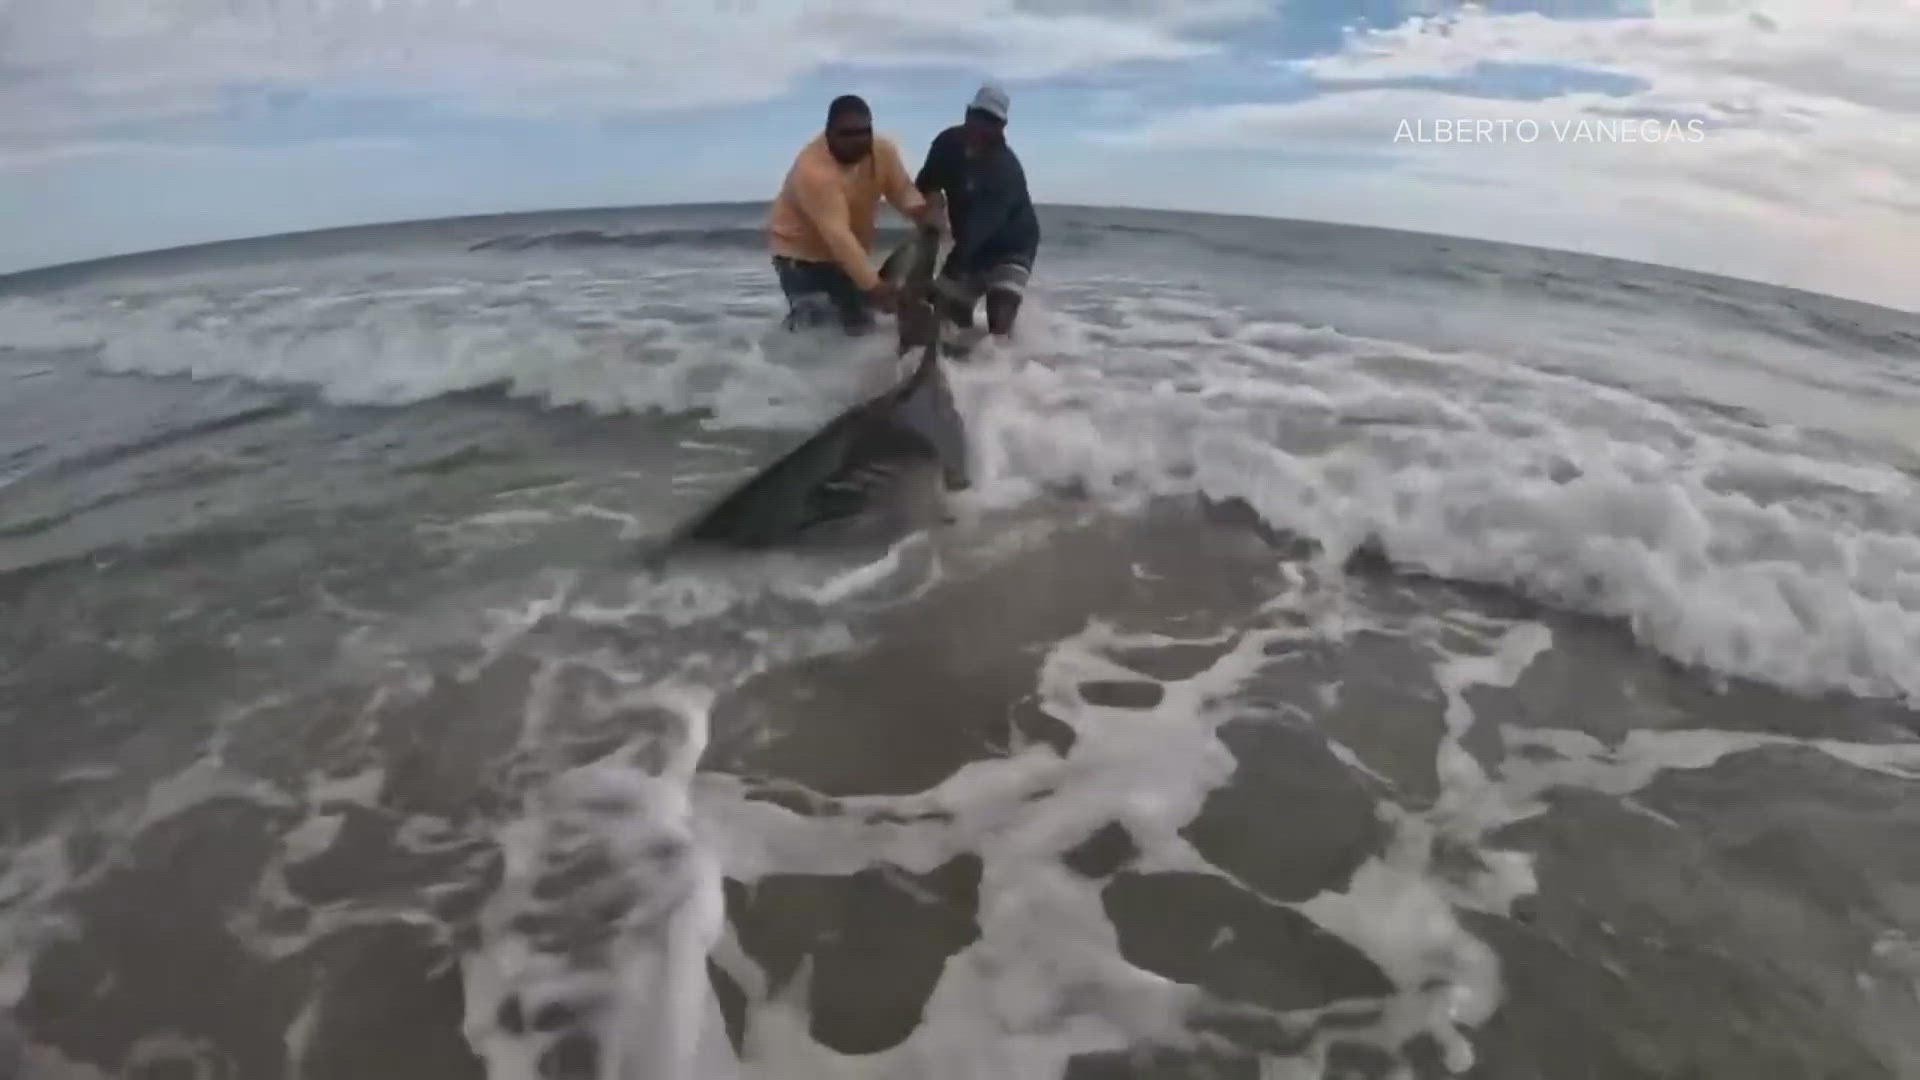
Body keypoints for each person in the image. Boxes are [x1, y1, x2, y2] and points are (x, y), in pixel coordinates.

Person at [768, 94, 943, 334]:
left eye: (863, 132)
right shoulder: (814, 171)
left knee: (860, 326)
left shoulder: (882, 151)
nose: (857, 140)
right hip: (800, 256)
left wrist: (922, 213)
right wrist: (875, 288)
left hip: (845, 254)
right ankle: (775, 362)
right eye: (847, 133)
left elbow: (901, 191)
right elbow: (838, 236)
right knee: (817, 330)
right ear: (828, 132)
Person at [914, 83, 1040, 340]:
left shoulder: (1004, 170)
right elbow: (926, 180)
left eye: (992, 121)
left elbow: (981, 228)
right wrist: (934, 200)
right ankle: (963, 369)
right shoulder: (946, 143)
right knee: (950, 323)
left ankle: (1002, 369)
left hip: (1012, 246)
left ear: (1002, 127)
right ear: (967, 113)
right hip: (971, 244)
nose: (982, 126)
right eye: (979, 117)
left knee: (999, 318)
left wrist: (947, 276)